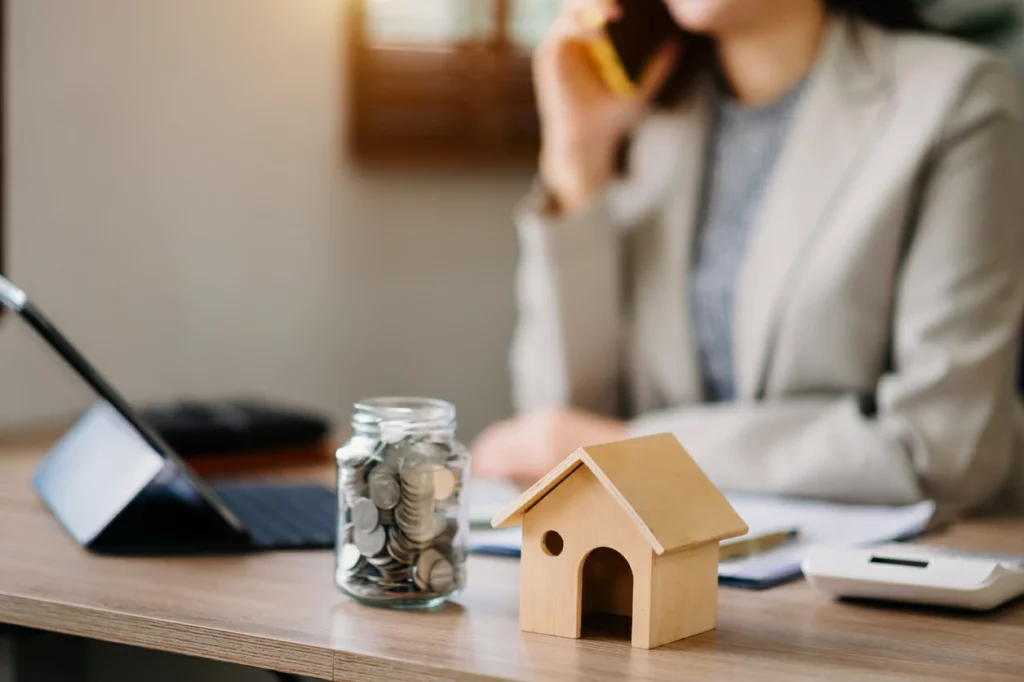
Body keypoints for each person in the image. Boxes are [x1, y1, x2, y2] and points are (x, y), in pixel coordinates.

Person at [473, 0, 1024, 516]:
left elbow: (943, 452)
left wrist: (621, 447)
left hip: (885, 592)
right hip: (672, 571)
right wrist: (577, 160)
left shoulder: (958, 100)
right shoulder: (647, 113)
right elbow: (555, 425)